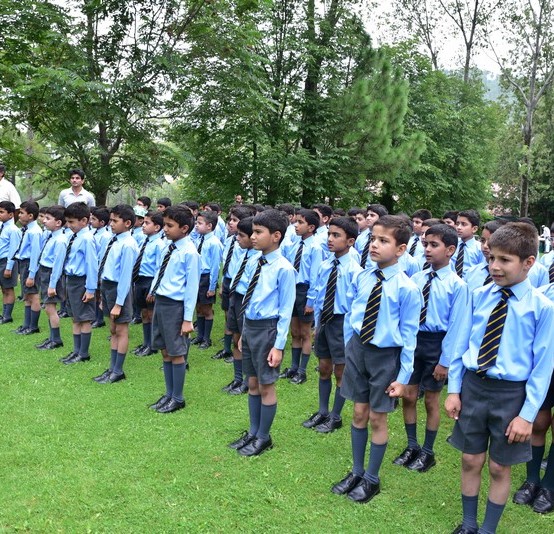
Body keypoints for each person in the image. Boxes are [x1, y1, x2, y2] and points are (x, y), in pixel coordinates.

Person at [445, 222, 554, 534]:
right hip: (474, 387)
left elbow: (542, 367)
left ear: (528, 262)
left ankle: (488, 529)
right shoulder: (478, 296)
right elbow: (460, 345)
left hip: (511, 395)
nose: (494, 266)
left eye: (505, 260)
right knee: (470, 459)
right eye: (492, 257)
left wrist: (527, 415)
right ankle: (469, 524)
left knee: (498, 466)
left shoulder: (542, 308)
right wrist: (453, 390)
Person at [331, 215, 422, 503]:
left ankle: (372, 478)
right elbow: (353, 314)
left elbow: (410, 336)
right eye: (373, 239)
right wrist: (350, 347)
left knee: (376, 417)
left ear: (401, 249)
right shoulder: (363, 276)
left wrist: (403, 377)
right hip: (359, 350)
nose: (374, 245)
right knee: (358, 413)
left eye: (384, 241)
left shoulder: (407, 288)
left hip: (385, 357)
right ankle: (357, 471)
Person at [393, 224, 468, 472]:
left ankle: (428, 451)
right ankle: (412, 445)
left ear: (450, 250)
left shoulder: (458, 285)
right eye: (425, 244)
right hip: (415, 341)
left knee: (431, 400)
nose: (427, 249)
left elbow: (456, 327)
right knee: (408, 395)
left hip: (437, 344)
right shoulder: (417, 279)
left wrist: (445, 361)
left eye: (434, 245)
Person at [228, 209, 296, 457]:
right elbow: (250, 298)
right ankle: (253, 431)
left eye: (258, 232)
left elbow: (286, 311)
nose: (253, 236)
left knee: (266, 385)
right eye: (253, 232)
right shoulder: (255, 261)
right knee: (253, 382)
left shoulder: (284, 269)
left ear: (276, 236)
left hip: (268, 330)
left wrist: (278, 345)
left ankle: (264, 437)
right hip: (252, 327)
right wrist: (244, 333)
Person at [303, 216, 362, 433]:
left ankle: (335, 416)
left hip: (342, 323)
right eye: (329, 234)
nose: (330, 239)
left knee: (340, 371)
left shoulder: (355, 271)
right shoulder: (325, 265)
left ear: (350, 241)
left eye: (336, 235)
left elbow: (356, 306)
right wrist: (317, 324)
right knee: (324, 368)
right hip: (325, 321)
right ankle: (322, 411)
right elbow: (320, 295)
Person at [147, 206, 201, 413]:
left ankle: (177, 397)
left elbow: (192, 288)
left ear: (184, 228)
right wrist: (153, 290)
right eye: (165, 225)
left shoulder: (190, 253)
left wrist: (187, 319)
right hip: (161, 302)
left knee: (176, 352)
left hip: (176, 307)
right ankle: (169, 393)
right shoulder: (168, 247)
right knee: (165, 350)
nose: (165, 229)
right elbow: (159, 271)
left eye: (170, 226)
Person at [512, 282, 554, 514]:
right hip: (545, 364)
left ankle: (549, 486)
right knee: (538, 422)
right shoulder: (545, 292)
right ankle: (532, 480)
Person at [93, 205, 139, 384]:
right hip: (108, 287)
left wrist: (119, 303)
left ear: (127, 223)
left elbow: (126, 276)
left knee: (121, 330)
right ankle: (112, 368)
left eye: (115, 221)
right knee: (112, 329)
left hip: (119, 289)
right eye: (110, 220)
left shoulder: (128, 244)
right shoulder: (114, 240)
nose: (111, 224)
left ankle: (118, 370)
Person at [49, 202, 98, 365]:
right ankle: (76, 350)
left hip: (82, 282)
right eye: (67, 221)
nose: (68, 225)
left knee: (84, 318)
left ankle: (83, 353)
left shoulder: (87, 239)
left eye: (72, 222)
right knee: (75, 317)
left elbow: (92, 265)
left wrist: (90, 289)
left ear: (84, 221)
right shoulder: (73, 236)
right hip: (71, 280)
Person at [280, 208, 323, 384]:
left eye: (300, 222)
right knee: (295, 331)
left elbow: (315, 276)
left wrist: (311, 301)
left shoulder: (315, 247)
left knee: (305, 333)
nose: (296, 225)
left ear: (311, 227)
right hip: (293, 289)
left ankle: (302, 371)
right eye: (296, 221)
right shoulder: (294, 244)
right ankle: (293, 367)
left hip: (305, 291)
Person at [222, 216, 261, 395]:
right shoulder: (243, 252)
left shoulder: (258, 258)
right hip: (235, 297)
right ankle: (237, 378)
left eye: (241, 235)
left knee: (245, 343)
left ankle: (247, 380)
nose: (237, 238)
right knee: (236, 338)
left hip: (246, 301)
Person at [213, 206, 251, 361]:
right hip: (229, 280)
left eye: (235, 220)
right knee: (228, 315)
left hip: (240, 283)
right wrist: (223, 283)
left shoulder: (245, 246)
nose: (230, 223)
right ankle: (227, 348)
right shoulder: (230, 240)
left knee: (238, 319)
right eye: (230, 219)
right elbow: (226, 264)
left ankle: (239, 348)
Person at [132, 210, 165, 357]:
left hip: (150, 281)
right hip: (140, 280)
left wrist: (153, 289)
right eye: (143, 222)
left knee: (151, 314)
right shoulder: (144, 241)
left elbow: (159, 268)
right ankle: (146, 343)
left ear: (157, 227)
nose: (143, 225)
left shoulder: (159, 244)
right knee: (144, 313)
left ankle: (152, 345)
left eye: (147, 223)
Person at [34, 205, 68, 350]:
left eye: (48, 218)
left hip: (51, 275)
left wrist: (52, 285)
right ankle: (52, 337)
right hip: (45, 272)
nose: (44, 221)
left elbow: (58, 265)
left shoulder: (60, 240)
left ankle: (56, 339)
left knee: (50, 308)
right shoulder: (51, 236)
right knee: (48, 308)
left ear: (58, 222)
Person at [190, 210, 223, 349]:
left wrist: (212, 287)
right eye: (196, 222)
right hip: (197, 276)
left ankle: (206, 339)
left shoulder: (214, 243)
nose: (196, 225)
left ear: (209, 226)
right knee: (198, 308)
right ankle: (199, 336)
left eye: (199, 223)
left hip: (206, 278)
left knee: (207, 309)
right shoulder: (199, 239)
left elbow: (215, 267)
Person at [14, 201, 43, 335]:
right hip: (24, 264)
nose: (19, 215)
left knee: (33, 295)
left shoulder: (35, 232)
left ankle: (33, 326)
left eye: (21, 213)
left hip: (30, 264)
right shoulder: (27, 229)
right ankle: (26, 324)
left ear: (30, 215)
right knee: (27, 295)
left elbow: (35, 255)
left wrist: (31, 275)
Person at [0, 201, 20, 324]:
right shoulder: (2, 227)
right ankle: (3, 314)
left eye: (1, 212)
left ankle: (7, 315)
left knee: (8, 289)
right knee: (3, 289)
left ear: (11, 214)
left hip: (6, 262)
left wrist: (9, 267)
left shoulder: (13, 230)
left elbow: (13, 250)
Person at [451, 209, 485, 279]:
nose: (459, 227)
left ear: (474, 229)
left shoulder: (480, 248)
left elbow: (482, 271)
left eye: (463, 224)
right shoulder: (452, 244)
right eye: (457, 224)